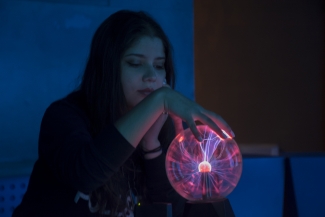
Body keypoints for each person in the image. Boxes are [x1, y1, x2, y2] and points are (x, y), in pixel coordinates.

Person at [12, 10, 234, 217]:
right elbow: (86, 175)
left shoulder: (161, 126)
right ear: (108, 67)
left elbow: (165, 209)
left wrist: (151, 146)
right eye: (135, 63)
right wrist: (160, 99)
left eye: (159, 66)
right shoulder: (63, 117)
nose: (151, 76)